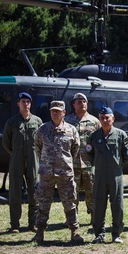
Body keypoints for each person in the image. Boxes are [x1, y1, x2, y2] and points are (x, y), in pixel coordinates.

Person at [32, 101, 83, 243]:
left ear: (64, 113)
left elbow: (75, 149)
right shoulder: (43, 129)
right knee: (43, 203)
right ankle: (40, 232)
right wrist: (46, 162)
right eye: (52, 111)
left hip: (65, 173)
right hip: (46, 173)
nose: (55, 113)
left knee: (70, 203)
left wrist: (64, 162)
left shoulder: (71, 130)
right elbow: (37, 147)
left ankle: (74, 232)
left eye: (58, 111)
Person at [87, 106, 128, 243]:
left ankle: (116, 234)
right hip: (100, 174)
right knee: (98, 204)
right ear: (99, 119)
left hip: (116, 175)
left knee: (117, 204)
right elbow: (89, 153)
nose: (105, 120)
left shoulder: (120, 135)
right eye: (102, 118)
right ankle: (99, 234)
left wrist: (117, 165)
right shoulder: (94, 136)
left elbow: (127, 154)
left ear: (113, 119)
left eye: (108, 117)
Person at [2, 92, 43, 233]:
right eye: (23, 101)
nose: (25, 104)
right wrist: (15, 154)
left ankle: (33, 224)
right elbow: (6, 142)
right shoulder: (12, 122)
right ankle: (15, 225)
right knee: (15, 193)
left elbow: (42, 141)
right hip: (17, 161)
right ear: (18, 104)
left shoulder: (37, 121)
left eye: (28, 101)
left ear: (30, 104)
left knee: (35, 192)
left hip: (33, 161)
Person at [64, 93, 101, 225]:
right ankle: (72, 219)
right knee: (71, 193)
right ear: (73, 105)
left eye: (84, 101)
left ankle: (94, 217)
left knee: (92, 192)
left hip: (89, 164)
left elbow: (100, 141)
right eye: (79, 102)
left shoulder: (95, 122)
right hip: (71, 164)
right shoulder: (66, 121)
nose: (82, 104)